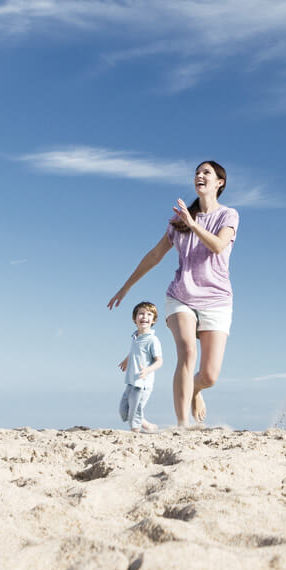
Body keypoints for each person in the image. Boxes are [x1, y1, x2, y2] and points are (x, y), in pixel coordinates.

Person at [107, 160, 239, 428]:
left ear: (219, 183)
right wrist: (126, 286)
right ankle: (182, 425)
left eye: (206, 173)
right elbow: (155, 255)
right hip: (181, 296)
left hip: (217, 300)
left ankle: (196, 390)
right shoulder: (179, 220)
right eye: (197, 173)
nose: (199, 176)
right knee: (187, 352)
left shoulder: (228, 215)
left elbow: (218, 245)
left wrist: (193, 224)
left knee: (210, 375)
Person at [117, 301, 164, 432]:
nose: (144, 317)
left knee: (135, 411)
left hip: (143, 383)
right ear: (135, 318)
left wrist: (148, 370)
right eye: (141, 314)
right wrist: (126, 360)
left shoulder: (153, 340)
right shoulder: (135, 337)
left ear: (153, 320)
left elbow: (159, 361)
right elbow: (135, 351)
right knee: (124, 411)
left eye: (149, 314)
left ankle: (135, 433)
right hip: (131, 380)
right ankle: (148, 426)